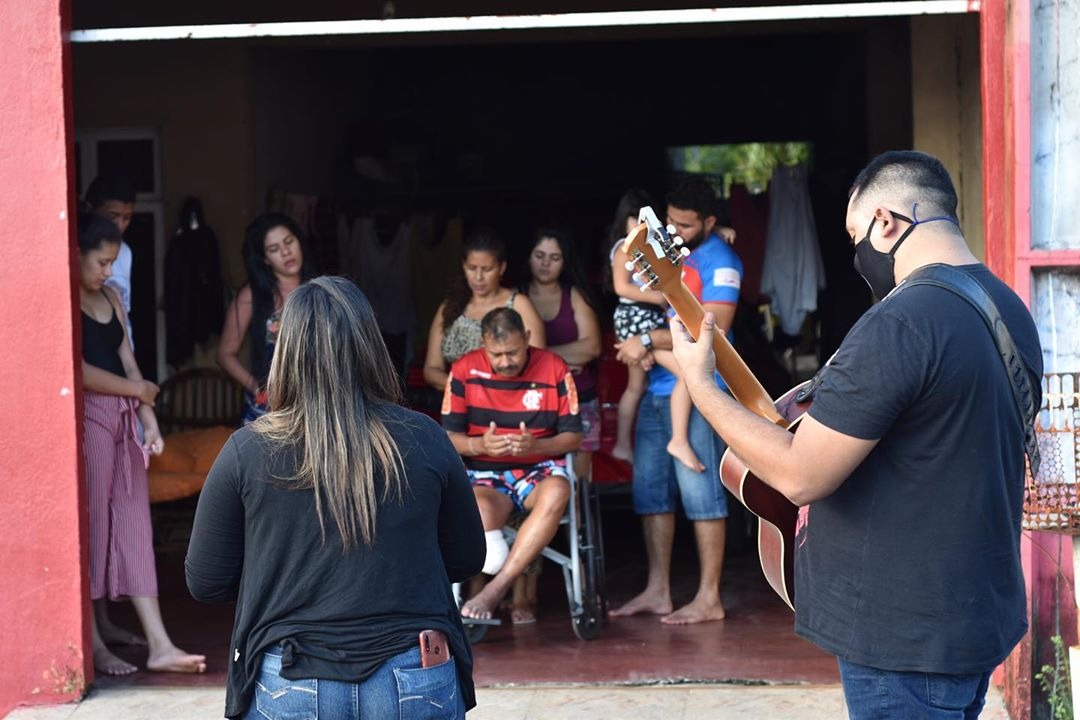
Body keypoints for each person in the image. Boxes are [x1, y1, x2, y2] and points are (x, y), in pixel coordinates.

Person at [670, 151, 1042, 719]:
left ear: (887, 222)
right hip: (971, 615)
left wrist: (701, 386)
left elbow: (800, 475)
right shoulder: (1008, 307)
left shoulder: (900, 322)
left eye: (854, 235)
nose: (857, 255)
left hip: (904, 639)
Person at [187, 277, 486, 720]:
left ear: (285, 352)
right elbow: (466, 558)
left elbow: (206, 581)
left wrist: (278, 569)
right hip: (415, 672)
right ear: (370, 345)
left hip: (289, 677)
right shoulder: (425, 437)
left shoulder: (246, 451)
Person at [77, 214, 207, 676]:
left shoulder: (110, 298)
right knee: (90, 529)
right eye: (101, 261)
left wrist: (148, 423)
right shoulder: (64, 302)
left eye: (112, 261)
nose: (107, 271)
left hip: (124, 420)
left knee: (134, 526)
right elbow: (80, 372)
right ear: (76, 255)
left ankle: (159, 644)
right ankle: (90, 642)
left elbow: (130, 365)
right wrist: (138, 393)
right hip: (89, 419)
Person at [610, 176, 743, 625]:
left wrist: (646, 337)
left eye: (686, 225)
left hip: (705, 389)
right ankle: (658, 590)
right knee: (650, 493)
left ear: (710, 221)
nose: (675, 230)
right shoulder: (672, 252)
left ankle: (709, 597)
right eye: (670, 221)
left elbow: (715, 325)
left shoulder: (721, 259)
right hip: (659, 387)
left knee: (701, 494)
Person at [442, 308, 583, 621]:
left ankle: (495, 589)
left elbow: (574, 437)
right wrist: (478, 444)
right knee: (471, 507)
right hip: (484, 475)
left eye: (513, 352)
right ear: (483, 345)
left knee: (559, 490)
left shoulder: (554, 368)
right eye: (497, 354)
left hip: (539, 470)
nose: (506, 361)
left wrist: (537, 445)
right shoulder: (464, 370)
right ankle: (491, 553)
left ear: (528, 339)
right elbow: (447, 436)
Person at [608, 189, 733, 472]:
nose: (642, 231)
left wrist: (718, 232)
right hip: (637, 319)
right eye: (635, 225)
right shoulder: (623, 249)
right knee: (685, 373)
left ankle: (625, 445)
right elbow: (620, 287)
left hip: (644, 322)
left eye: (646, 226)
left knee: (636, 385)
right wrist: (663, 295)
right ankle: (669, 440)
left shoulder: (667, 244)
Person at [520, 227, 601, 623]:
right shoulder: (516, 298)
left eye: (553, 257)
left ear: (565, 261)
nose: (546, 264)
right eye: (539, 255)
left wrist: (538, 358)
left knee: (578, 494)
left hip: (578, 403)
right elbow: (576, 351)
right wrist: (560, 361)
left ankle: (582, 571)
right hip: (533, 409)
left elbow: (593, 347)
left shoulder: (576, 297)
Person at [217, 212, 314, 423]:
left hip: (315, 406)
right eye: (274, 249)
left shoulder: (320, 289)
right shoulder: (251, 296)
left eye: (289, 241)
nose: (286, 252)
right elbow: (225, 354)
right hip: (270, 411)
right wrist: (255, 386)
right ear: (264, 259)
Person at [423, 228, 546, 392]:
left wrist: (491, 394)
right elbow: (431, 369)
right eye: (472, 268)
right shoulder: (450, 306)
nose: (478, 277)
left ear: (502, 268)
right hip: (457, 402)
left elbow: (538, 365)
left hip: (508, 402)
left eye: (487, 269)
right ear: (463, 266)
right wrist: (468, 389)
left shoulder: (519, 304)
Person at [85, 174, 136, 344]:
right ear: (90, 208)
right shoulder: (80, 253)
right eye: (113, 216)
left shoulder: (126, 252)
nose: (120, 225)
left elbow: (124, 312)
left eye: (127, 218)